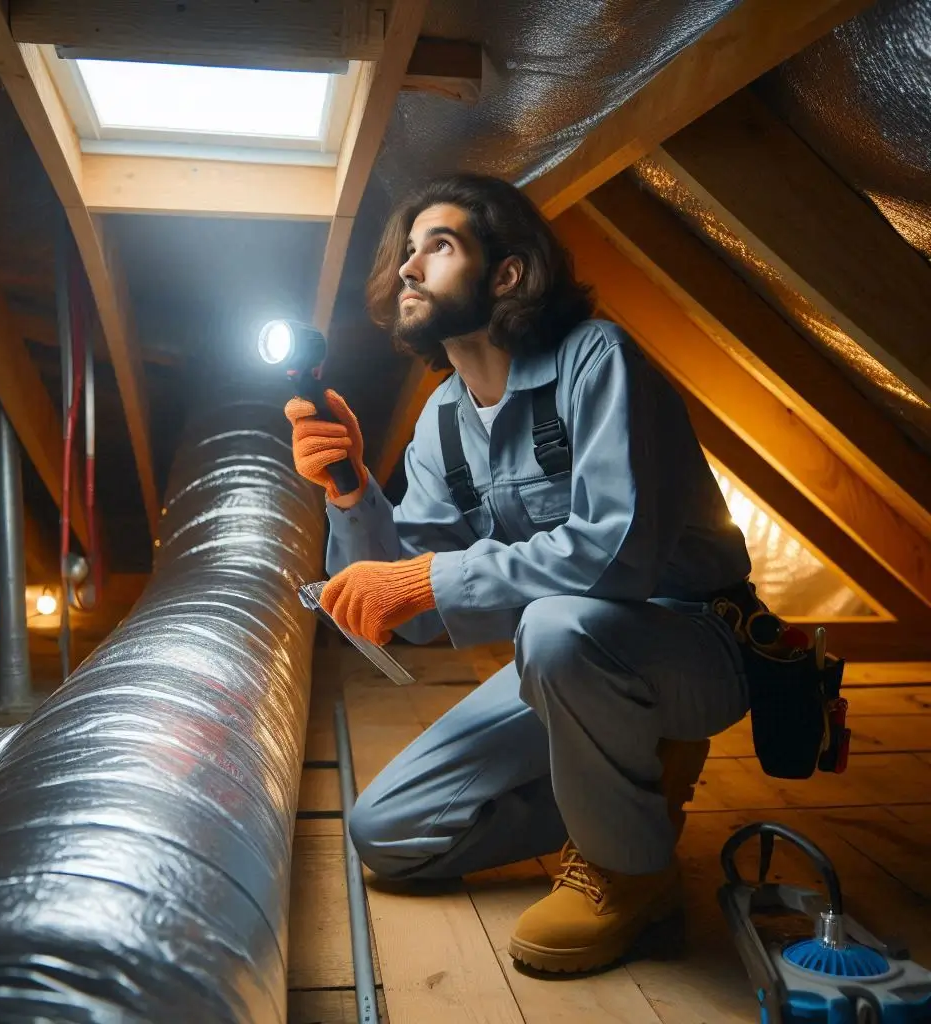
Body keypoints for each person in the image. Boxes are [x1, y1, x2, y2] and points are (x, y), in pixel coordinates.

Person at [284, 172, 755, 974]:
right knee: (387, 831)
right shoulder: (441, 421)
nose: (407, 267)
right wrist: (354, 494)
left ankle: (630, 872)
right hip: (562, 666)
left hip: (696, 644)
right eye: (407, 251)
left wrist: (428, 580)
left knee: (556, 624)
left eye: (438, 246)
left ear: (506, 274)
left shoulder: (596, 359)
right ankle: (623, 798)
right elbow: (414, 616)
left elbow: (617, 554)